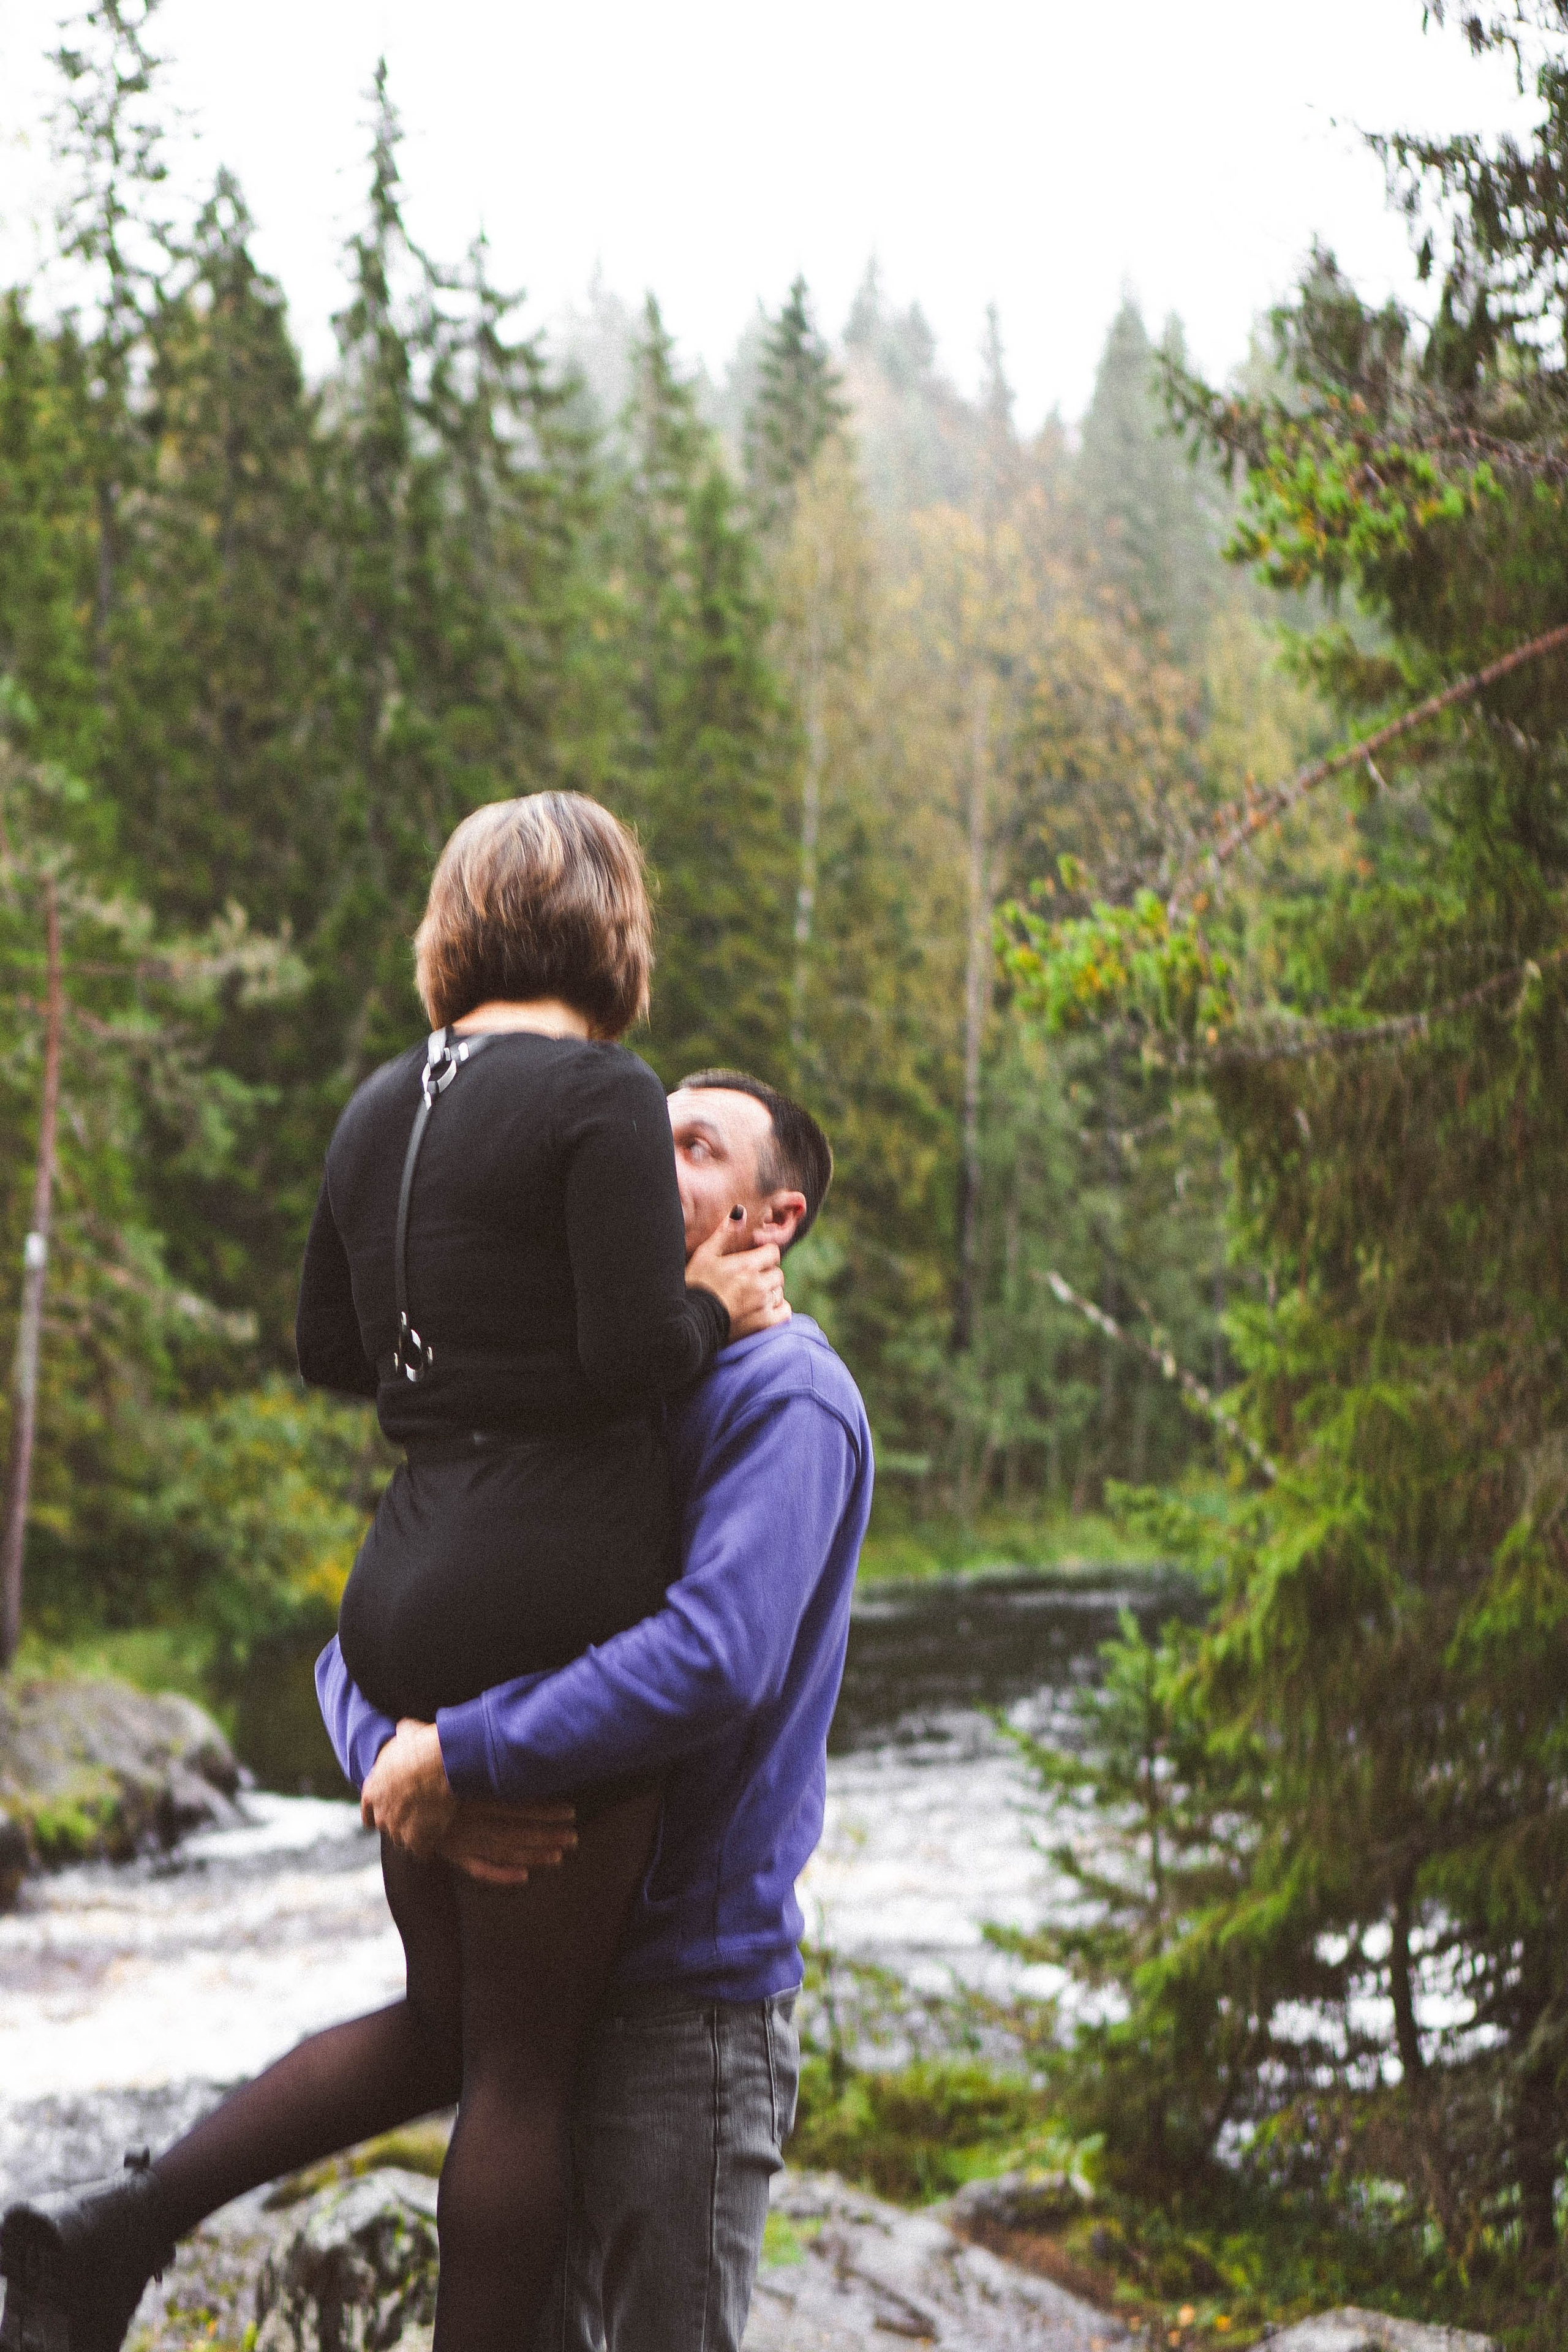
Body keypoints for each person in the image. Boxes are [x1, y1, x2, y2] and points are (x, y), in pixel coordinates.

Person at [0, 796, 788, 2352]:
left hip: (404, 1592)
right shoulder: (603, 1094)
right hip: (553, 1602)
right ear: (607, 929)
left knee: (450, 2023)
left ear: (456, 926)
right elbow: (635, 1355)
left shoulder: (378, 1105)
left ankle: (116, 2228)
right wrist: (715, 1305)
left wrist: (468, 1363)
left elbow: (328, 1345)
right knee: (521, 2077)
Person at [330, 1068, 873, 2352]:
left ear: (773, 1218)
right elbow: (389, 1616)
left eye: (695, 1146)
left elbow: (715, 1658)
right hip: (542, 1988)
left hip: (684, 2005)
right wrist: (399, 1766)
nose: (649, 1158)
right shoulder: (603, 1380)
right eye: (646, 1136)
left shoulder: (787, 1399)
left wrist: (465, 1754)